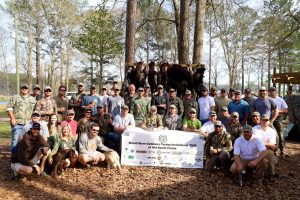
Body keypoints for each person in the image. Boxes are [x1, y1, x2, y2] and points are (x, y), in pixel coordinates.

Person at [7, 83, 36, 153]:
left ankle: (25, 158)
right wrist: (12, 119)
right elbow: (9, 108)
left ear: (28, 89)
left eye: (26, 88)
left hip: (28, 124)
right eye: (23, 88)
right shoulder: (14, 97)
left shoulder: (33, 99)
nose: (24, 89)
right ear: (20, 88)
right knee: (16, 141)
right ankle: (14, 159)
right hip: (17, 123)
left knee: (28, 142)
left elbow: (35, 111)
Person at [268, 86, 288, 157]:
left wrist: (278, 111)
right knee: (271, 135)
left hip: (278, 119)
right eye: (270, 90)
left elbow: (286, 110)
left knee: (280, 135)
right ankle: (274, 151)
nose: (271, 92)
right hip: (268, 119)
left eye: (273, 90)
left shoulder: (280, 100)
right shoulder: (267, 99)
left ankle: (282, 151)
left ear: (275, 91)